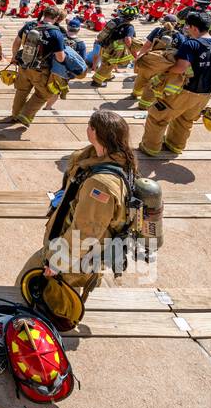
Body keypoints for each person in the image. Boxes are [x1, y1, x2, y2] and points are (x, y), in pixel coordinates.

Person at [16, 109, 143, 308]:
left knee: (32, 297)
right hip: (73, 250)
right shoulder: (114, 159)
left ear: (95, 132)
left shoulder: (101, 185)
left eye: (90, 126)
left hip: (75, 260)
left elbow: (86, 231)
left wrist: (57, 262)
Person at [138, 13, 211, 157]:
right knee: (185, 121)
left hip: (184, 92)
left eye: (188, 26)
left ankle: (150, 148)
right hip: (205, 94)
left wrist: (165, 69)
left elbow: (181, 68)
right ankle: (175, 145)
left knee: (158, 117)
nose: (187, 29)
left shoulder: (191, 44)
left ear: (194, 28)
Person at [5, 5, 68, 129]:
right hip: (41, 70)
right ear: (56, 18)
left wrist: (13, 56)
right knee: (44, 94)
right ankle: (26, 115)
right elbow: (60, 58)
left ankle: (15, 115)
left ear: (44, 14)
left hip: (23, 64)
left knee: (22, 91)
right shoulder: (56, 33)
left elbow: (17, 42)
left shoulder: (30, 25)